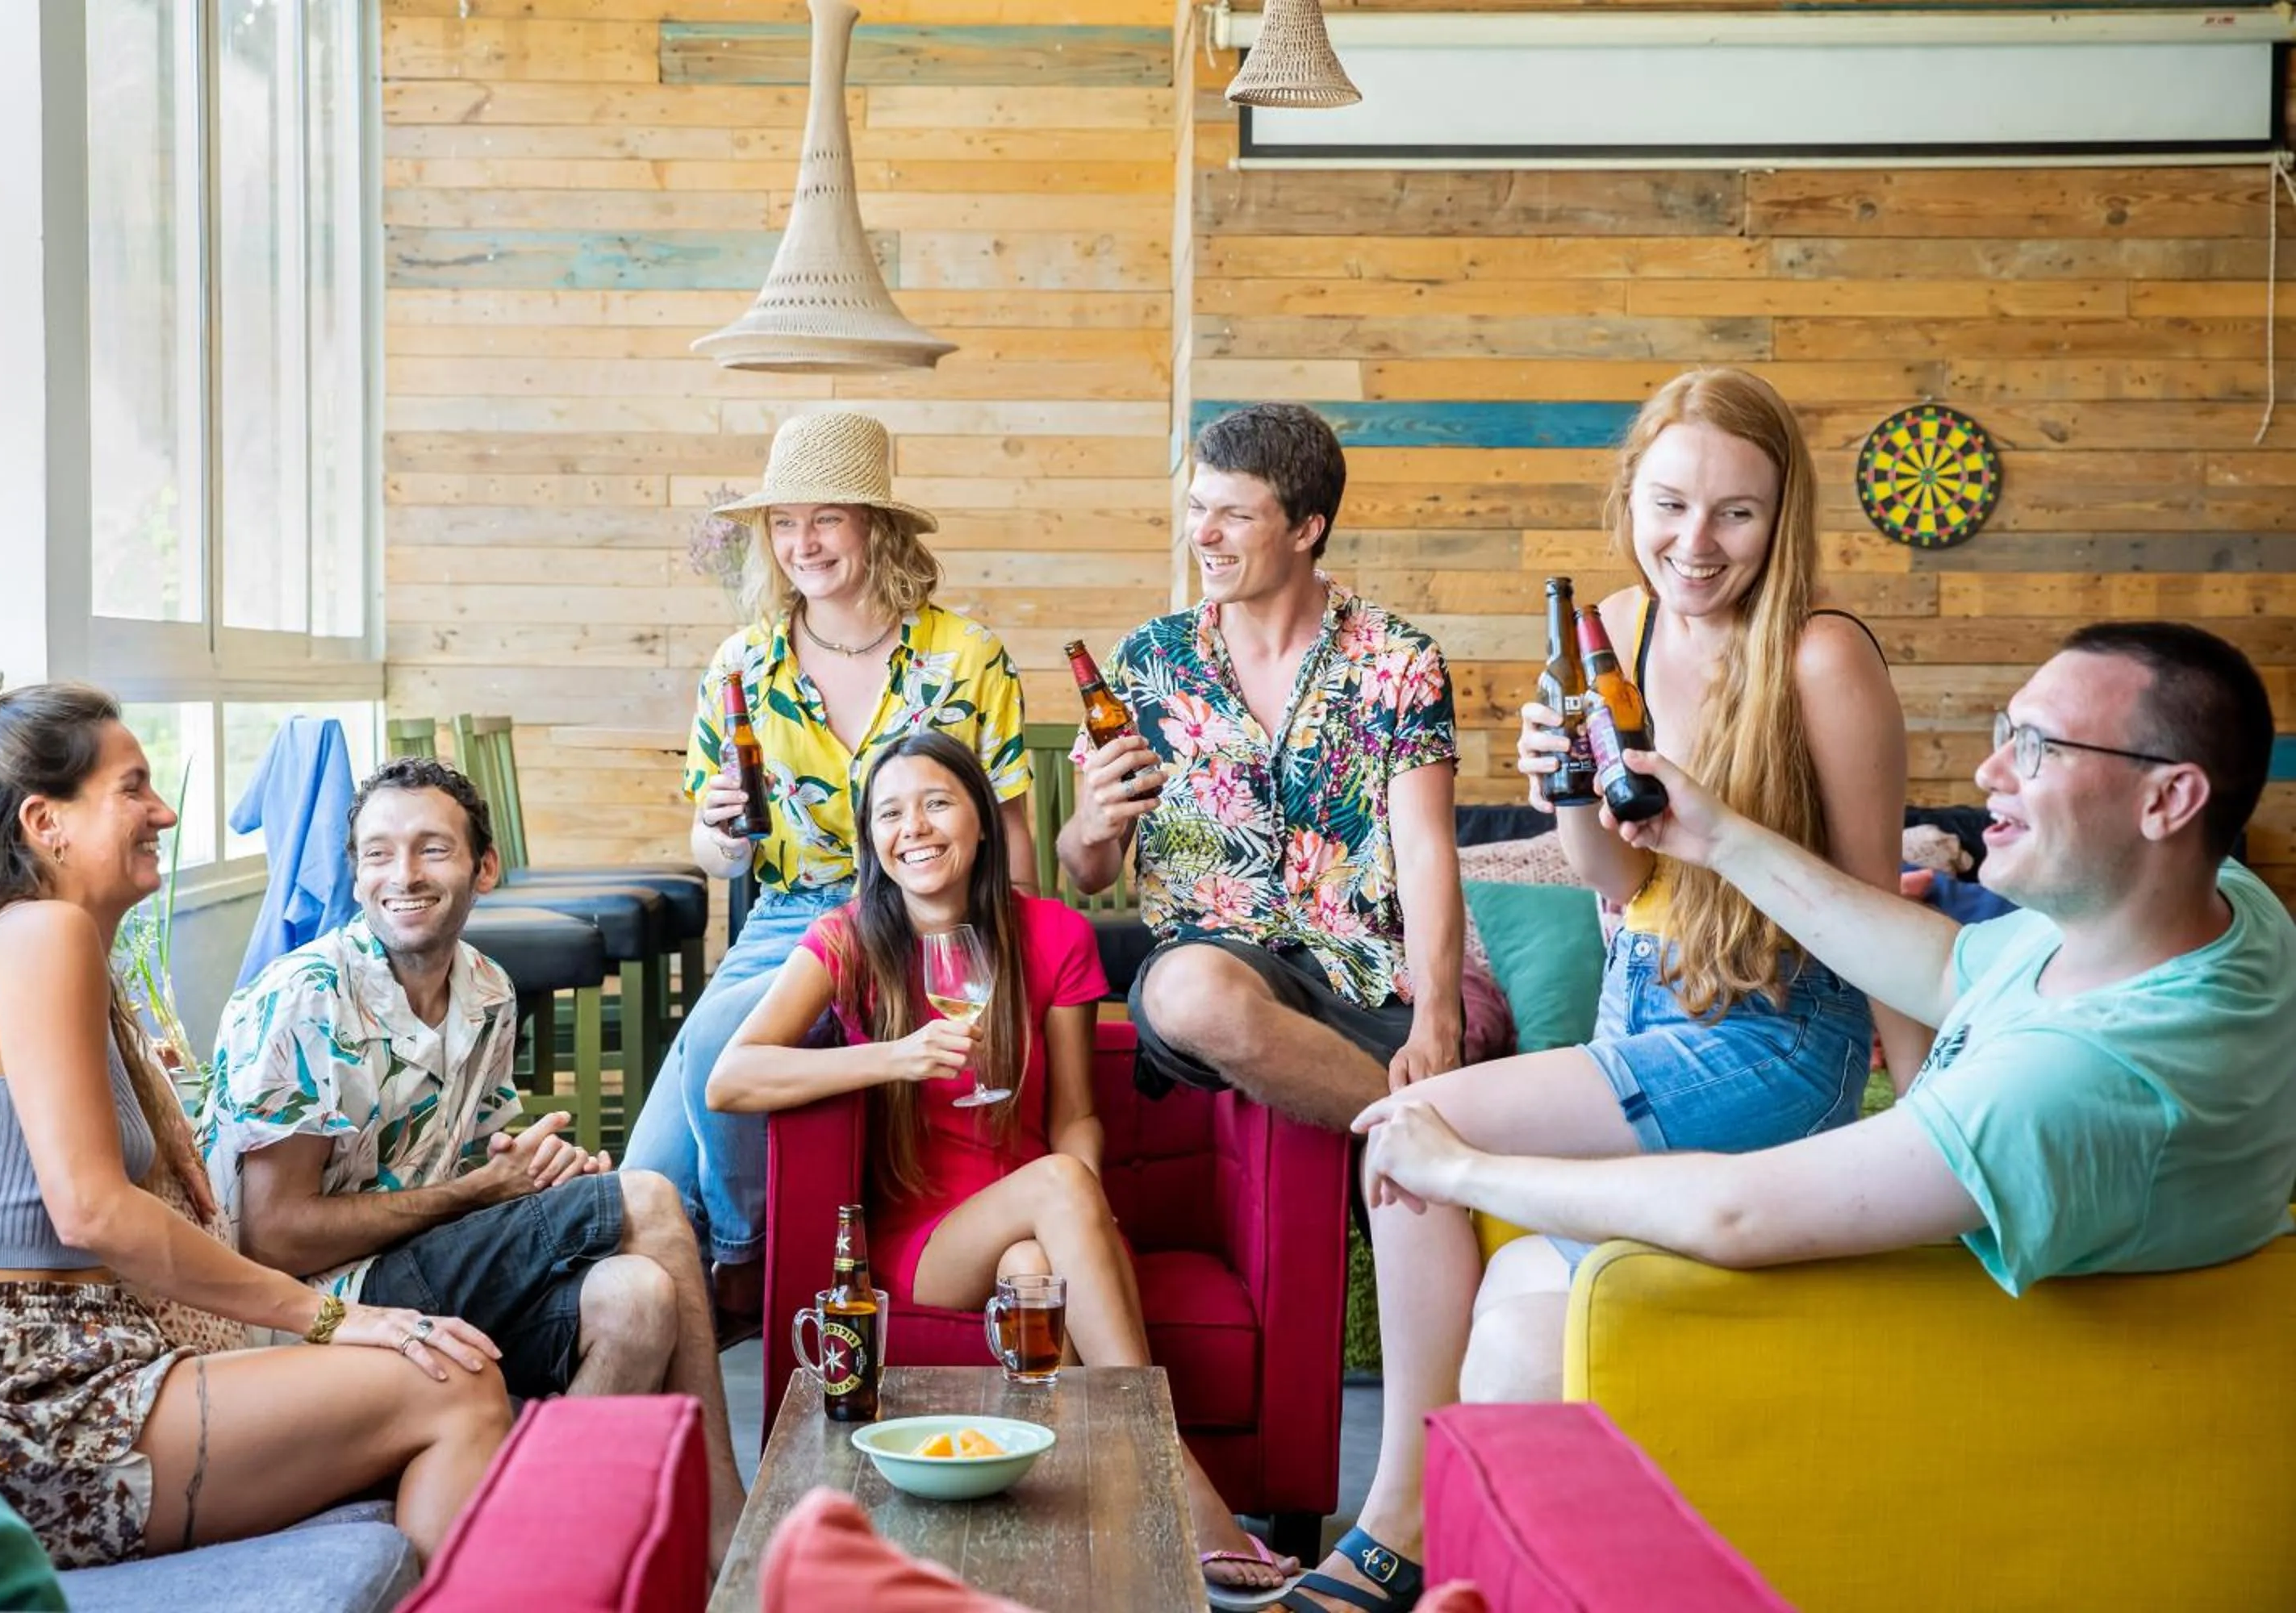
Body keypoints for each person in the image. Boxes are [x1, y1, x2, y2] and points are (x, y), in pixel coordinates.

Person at [1306, 623, 2296, 1613]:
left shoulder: (2077, 1078)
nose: (1992, 768)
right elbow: (1944, 964)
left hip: (2010, 1370)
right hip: (2124, 1316)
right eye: (2006, 728)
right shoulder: (2226, 916)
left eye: (2037, 747)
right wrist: (1719, 838)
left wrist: (1462, 1168)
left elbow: (1737, 1210)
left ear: (2171, 798)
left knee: (1525, 1345)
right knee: (1526, 1271)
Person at [1271, 367, 1922, 1611]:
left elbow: (1877, 915)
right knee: (1449, 1198)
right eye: (1670, 504)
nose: (1697, 543)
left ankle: (1395, 1523)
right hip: (1637, 1007)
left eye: (1738, 512)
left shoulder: (1821, 658)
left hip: (1775, 1038)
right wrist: (1568, 789)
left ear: (1785, 516)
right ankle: (1460, 1540)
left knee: (1413, 1142)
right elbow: (1615, 881)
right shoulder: (1612, 628)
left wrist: (1933, 1108)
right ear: (1630, 498)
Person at [0, 678, 507, 1570]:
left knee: (442, 1371)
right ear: (43, 822)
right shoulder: (40, 936)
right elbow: (93, 1211)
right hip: (8, 1398)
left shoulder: (25, 942)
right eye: (132, 787)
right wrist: (331, 1319)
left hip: (37, 1373)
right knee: (456, 1384)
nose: (163, 811)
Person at [708, 729, 1300, 1607]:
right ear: (873, 837)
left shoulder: (1053, 933)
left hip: (1040, 1217)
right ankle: (1177, 1473)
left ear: (983, 822)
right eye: (891, 812)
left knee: (1035, 1264)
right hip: (926, 1236)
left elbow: (1075, 1117)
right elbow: (731, 1076)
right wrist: (893, 1058)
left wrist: (1084, 1219)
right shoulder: (849, 937)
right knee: (1058, 1189)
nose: (915, 827)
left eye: (938, 802)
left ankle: (1073, 1561)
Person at [197, 756, 745, 1548]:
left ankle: (541, 1552)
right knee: (650, 1196)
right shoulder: (305, 998)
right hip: (319, 1307)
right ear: (355, 875)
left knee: (637, 1299)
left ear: (483, 866)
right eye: (378, 853)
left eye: (432, 848)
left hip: (423, 1266)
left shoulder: (487, 987)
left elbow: (486, 1157)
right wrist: (486, 1193)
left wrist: (541, 1172)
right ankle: (725, 1530)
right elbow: (272, 1238)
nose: (403, 875)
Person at [626, 411, 1035, 1346]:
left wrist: (1016, 949)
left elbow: (1011, 831)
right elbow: (711, 845)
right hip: (790, 914)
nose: (802, 543)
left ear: (877, 528)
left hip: (929, 914)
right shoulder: (745, 661)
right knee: (643, 1179)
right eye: (783, 523)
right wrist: (723, 832)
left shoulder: (965, 656)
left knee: (721, 1038)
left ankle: (745, 1260)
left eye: (826, 519)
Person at [1055, 402, 1463, 1130]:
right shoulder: (1148, 661)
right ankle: (1442, 1142)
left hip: (1365, 986)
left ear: (1307, 530)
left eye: (1235, 517)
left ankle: (1426, 1141)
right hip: (1213, 971)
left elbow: (1428, 852)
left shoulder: (1400, 663)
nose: (1204, 536)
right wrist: (1090, 824)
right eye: (1197, 508)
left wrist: (1439, 1018)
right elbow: (1086, 871)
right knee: (1189, 994)